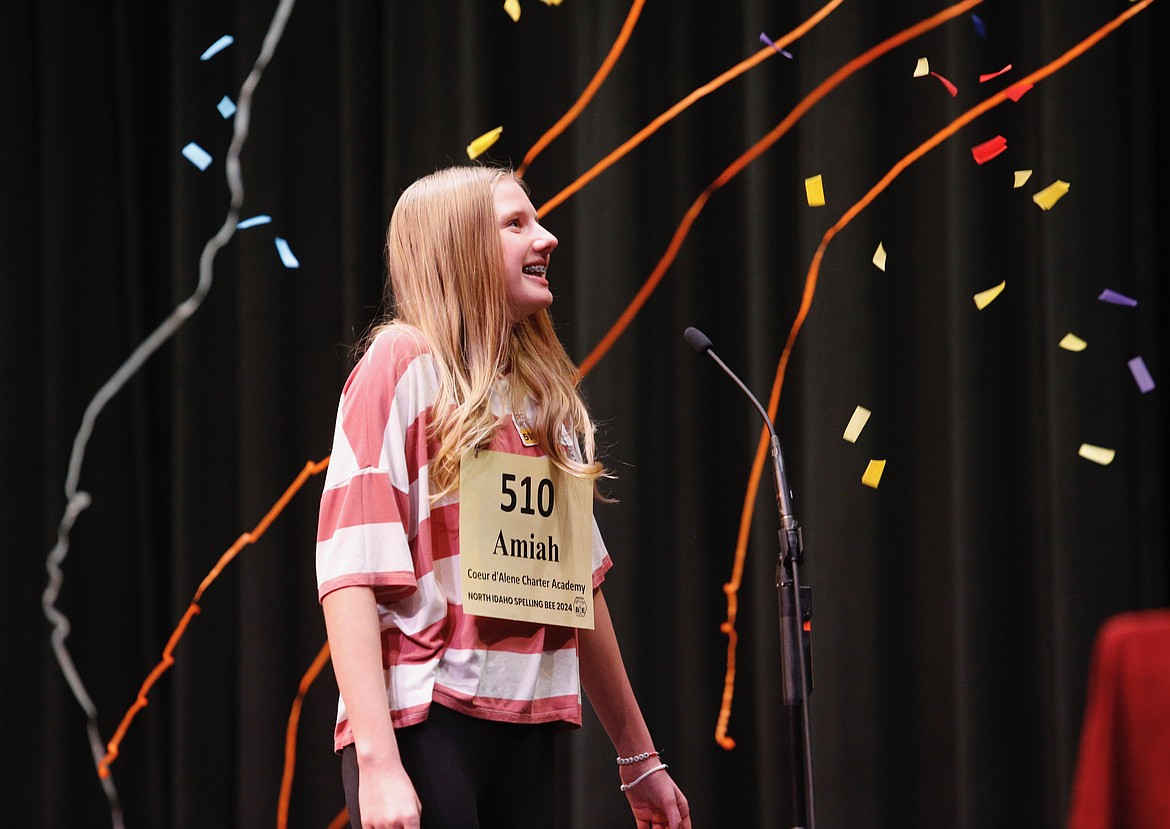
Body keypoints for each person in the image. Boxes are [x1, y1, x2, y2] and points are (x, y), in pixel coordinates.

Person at [315, 164, 691, 829]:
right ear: (459, 246)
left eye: (537, 221)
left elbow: (580, 590)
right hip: (424, 721)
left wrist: (639, 755)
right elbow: (349, 573)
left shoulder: (547, 402)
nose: (546, 239)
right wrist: (377, 759)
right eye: (517, 224)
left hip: (526, 729)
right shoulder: (401, 365)